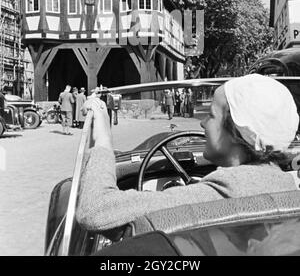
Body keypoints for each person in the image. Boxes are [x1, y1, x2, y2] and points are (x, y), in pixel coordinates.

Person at [76, 74, 299, 232]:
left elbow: (95, 210)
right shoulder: (284, 183)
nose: (202, 123)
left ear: (235, 132)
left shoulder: (224, 191)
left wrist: (103, 139)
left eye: (211, 115)